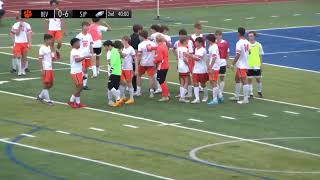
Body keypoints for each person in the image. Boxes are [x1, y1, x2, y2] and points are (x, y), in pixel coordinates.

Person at [67, 38, 91, 108]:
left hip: (78, 71)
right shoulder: (74, 51)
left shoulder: (77, 51)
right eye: (78, 43)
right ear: (74, 44)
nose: (79, 44)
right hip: (75, 72)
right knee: (80, 87)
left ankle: (78, 103)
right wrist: (85, 56)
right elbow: (77, 60)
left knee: (79, 87)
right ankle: (71, 101)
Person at [229, 27, 251, 104]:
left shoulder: (239, 43)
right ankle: (236, 96)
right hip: (244, 63)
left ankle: (246, 99)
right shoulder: (247, 42)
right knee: (237, 79)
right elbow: (250, 52)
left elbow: (238, 55)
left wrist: (232, 64)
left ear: (238, 33)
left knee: (244, 81)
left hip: (241, 65)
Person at [173, 29, 194, 98]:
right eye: (180, 35)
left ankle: (189, 93)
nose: (181, 36)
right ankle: (182, 93)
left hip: (188, 62)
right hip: (182, 62)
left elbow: (190, 52)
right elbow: (174, 49)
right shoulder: (177, 42)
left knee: (188, 78)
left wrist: (189, 62)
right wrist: (177, 57)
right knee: (182, 77)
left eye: (183, 35)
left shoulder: (189, 42)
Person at [187, 37, 208, 104]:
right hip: (196, 70)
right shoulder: (196, 49)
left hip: (202, 70)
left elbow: (198, 59)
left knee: (203, 84)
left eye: (196, 42)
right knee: (195, 84)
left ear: (200, 43)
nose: (195, 43)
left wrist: (189, 55)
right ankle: (197, 98)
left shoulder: (203, 50)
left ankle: (205, 96)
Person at [136, 30, 157, 98]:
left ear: (142, 36)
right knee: (151, 77)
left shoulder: (140, 44)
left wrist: (137, 63)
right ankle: (151, 92)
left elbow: (139, 55)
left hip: (143, 63)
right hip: (151, 62)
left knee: (139, 75)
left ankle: (138, 91)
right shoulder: (153, 43)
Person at [37, 34, 55, 106]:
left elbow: (53, 59)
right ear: (46, 40)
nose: (51, 41)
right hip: (46, 68)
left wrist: (54, 52)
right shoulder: (42, 48)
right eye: (50, 40)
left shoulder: (49, 47)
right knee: (46, 84)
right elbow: (40, 59)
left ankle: (40, 96)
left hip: (50, 68)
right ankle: (48, 101)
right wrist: (42, 69)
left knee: (51, 84)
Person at [76, 21, 94, 90]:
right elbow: (75, 45)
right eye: (86, 26)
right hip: (81, 55)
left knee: (86, 70)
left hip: (87, 55)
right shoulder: (79, 36)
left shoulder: (89, 35)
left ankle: (84, 85)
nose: (87, 27)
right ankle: (80, 83)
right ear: (82, 26)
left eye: (88, 26)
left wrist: (92, 54)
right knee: (82, 69)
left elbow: (91, 45)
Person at [152, 35, 170, 102]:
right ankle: (166, 94)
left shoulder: (159, 47)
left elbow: (159, 58)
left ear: (156, 40)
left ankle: (165, 96)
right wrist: (151, 48)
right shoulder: (164, 46)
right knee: (163, 80)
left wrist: (154, 60)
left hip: (162, 66)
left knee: (161, 80)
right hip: (166, 65)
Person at [207, 34, 223, 106]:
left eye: (207, 39)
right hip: (215, 66)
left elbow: (214, 57)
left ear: (209, 40)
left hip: (214, 67)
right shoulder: (213, 46)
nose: (206, 41)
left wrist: (210, 67)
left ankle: (215, 99)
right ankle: (219, 96)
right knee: (213, 81)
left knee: (213, 82)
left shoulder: (213, 47)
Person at [247, 31, 264, 98]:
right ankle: (250, 93)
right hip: (249, 65)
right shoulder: (247, 45)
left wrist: (261, 65)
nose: (250, 37)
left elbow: (260, 55)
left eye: (251, 36)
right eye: (249, 36)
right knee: (249, 80)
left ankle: (259, 92)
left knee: (258, 79)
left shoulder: (258, 45)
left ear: (254, 36)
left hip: (256, 65)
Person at [119, 36, 136, 105]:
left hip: (128, 68)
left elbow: (124, 56)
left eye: (122, 40)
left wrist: (119, 52)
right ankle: (123, 97)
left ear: (126, 41)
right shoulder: (121, 48)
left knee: (129, 82)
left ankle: (131, 98)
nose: (121, 41)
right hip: (121, 67)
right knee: (122, 82)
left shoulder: (130, 49)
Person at [107, 40, 124, 107]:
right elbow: (120, 62)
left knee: (111, 86)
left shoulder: (114, 52)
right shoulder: (115, 52)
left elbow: (112, 62)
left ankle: (117, 99)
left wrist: (111, 70)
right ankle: (116, 100)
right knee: (114, 87)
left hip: (114, 72)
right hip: (116, 71)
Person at [215, 30, 229, 98]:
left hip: (222, 62)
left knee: (222, 78)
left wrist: (227, 62)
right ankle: (217, 92)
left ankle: (220, 92)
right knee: (215, 78)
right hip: (216, 62)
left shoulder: (225, 43)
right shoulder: (214, 43)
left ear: (221, 35)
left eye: (219, 35)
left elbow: (227, 53)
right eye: (216, 35)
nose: (218, 36)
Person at [130, 24, 143, 94]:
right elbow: (135, 49)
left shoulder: (131, 36)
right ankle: (135, 89)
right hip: (134, 57)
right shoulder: (137, 38)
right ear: (139, 30)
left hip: (131, 57)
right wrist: (136, 59)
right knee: (135, 73)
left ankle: (132, 87)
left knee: (132, 72)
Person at [176, 37, 190, 103]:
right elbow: (185, 59)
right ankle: (182, 97)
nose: (187, 42)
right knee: (186, 81)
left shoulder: (178, 48)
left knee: (181, 82)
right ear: (184, 41)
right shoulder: (185, 49)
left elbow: (178, 58)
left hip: (179, 66)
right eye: (187, 41)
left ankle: (181, 95)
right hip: (184, 67)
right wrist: (189, 65)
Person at [103, 40, 115, 106]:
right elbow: (109, 62)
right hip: (112, 72)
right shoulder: (109, 53)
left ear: (109, 46)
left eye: (105, 47)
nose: (105, 48)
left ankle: (117, 98)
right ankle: (110, 100)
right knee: (110, 85)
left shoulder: (114, 51)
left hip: (115, 71)